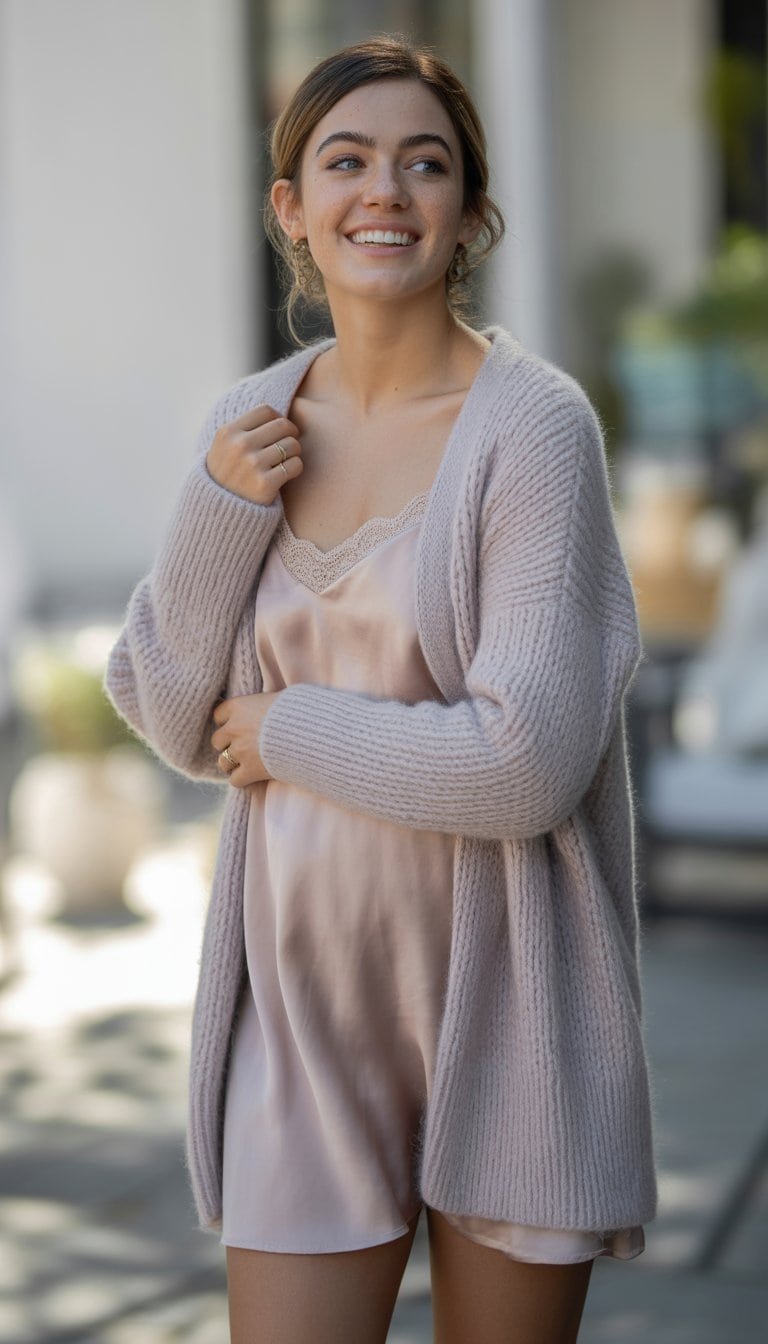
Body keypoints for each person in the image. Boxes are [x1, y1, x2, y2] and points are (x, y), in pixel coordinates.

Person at [105, 35, 657, 1344]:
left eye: (426, 163)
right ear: (291, 208)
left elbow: (526, 764)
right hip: (298, 1021)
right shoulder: (249, 425)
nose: (386, 192)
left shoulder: (537, 429)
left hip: (514, 1005)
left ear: (470, 210)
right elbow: (167, 707)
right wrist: (213, 513)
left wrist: (289, 730)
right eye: (345, 162)